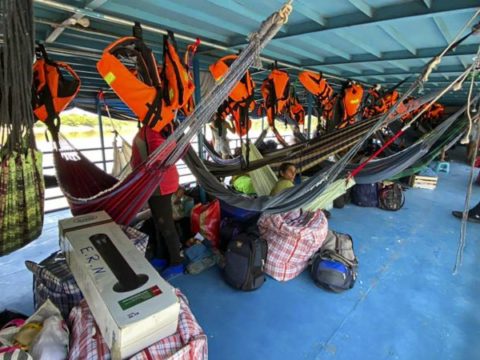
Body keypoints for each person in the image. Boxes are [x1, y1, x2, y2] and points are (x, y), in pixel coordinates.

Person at [131, 125, 184, 279]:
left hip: (160, 184)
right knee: (157, 222)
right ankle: (161, 256)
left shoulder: (154, 129)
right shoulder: (158, 128)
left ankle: (176, 262)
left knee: (165, 224)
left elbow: (161, 155)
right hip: (154, 183)